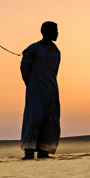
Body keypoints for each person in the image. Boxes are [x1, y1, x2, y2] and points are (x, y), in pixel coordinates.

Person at [20, 21, 60, 159]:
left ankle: (44, 152)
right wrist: (31, 85)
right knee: (33, 120)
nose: (57, 33)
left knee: (50, 121)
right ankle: (29, 152)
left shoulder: (57, 52)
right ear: (46, 31)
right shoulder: (33, 49)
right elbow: (24, 68)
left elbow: (55, 72)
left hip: (52, 91)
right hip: (35, 91)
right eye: (55, 30)